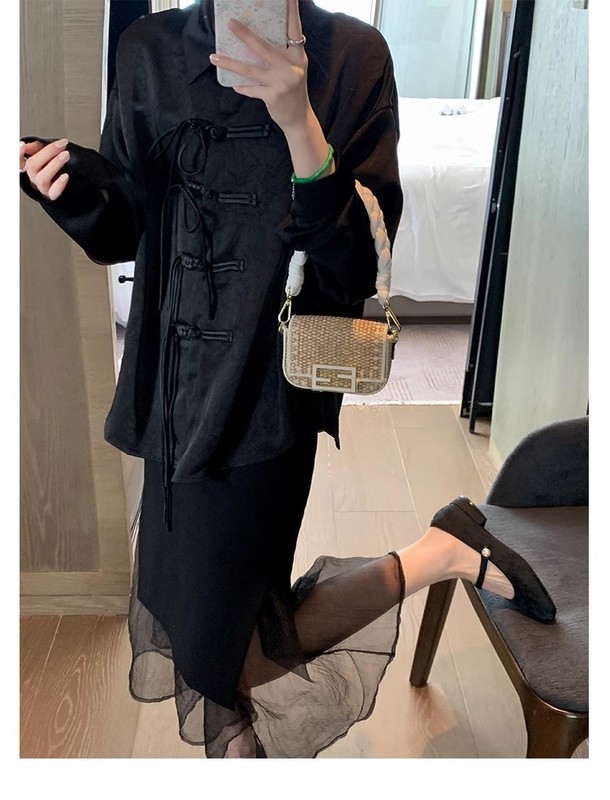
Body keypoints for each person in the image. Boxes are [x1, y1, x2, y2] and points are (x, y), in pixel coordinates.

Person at [19, 0, 555, 759]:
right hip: (171, 390)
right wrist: (72, 192)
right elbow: (127, 231)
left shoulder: (354, 57)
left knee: (221, 647)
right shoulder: (148, 49)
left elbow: (357, 266)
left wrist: (299, 120)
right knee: (207, 625)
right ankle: (438, 554)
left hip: (268, 396)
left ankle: (434, 558)